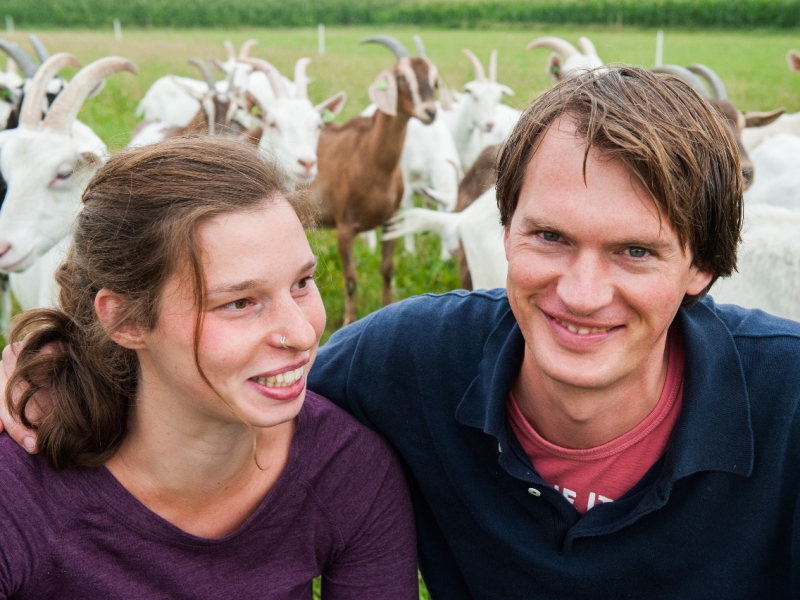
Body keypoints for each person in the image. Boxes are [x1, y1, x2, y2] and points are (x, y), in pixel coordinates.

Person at [4, 65, 800, 598]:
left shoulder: (788, 401)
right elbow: (220, 372)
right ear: (501, 228)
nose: (583, 292)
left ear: (702, 265)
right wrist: (52, 360)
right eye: (550, 238)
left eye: (635, 250)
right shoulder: (408, 363)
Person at [0, 137, 417, 599]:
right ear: (126, 319)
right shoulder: (20, 487)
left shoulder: (347, 471)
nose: (301, 334)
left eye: (302, 282)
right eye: (239, 302)